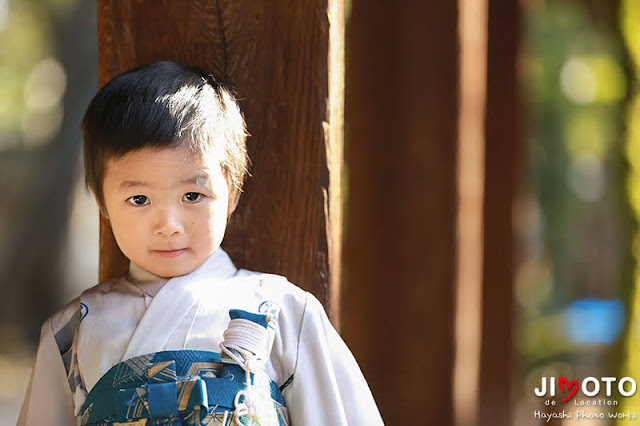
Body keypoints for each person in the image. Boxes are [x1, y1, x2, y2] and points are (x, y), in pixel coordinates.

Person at [18, 61, 383, 425]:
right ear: (101, 201)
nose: (169, 225)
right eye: (140, 200)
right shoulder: (71, 333)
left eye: (192, 195)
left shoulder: (286, 313)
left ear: (233, 192)